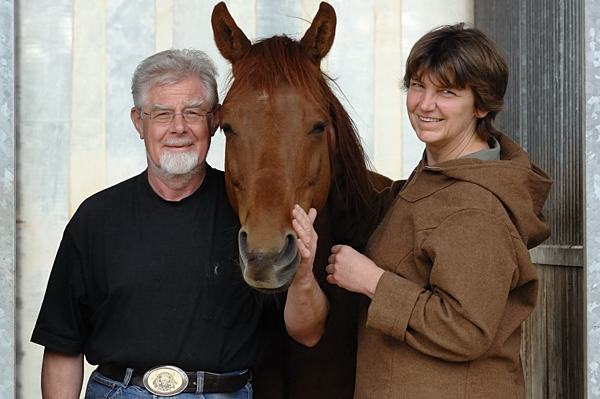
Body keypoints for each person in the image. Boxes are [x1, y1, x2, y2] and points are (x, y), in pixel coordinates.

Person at [31, 48, 327, 399]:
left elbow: (307, 332)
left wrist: (303, 274)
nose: (178, 128)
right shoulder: (96, 218)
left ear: (214, 121)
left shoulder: (251, 217)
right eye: (161, 114)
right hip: (119, 391)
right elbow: (64, 346)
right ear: (138, 122)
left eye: (193, 112)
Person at [326, 24, 552, 398]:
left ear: (481, 105)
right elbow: (390, 217)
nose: (425, 104)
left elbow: (466, 329)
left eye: (446, 92)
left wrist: (372, 281)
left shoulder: (475, 208)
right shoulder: (433, 178)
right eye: (418, 86)